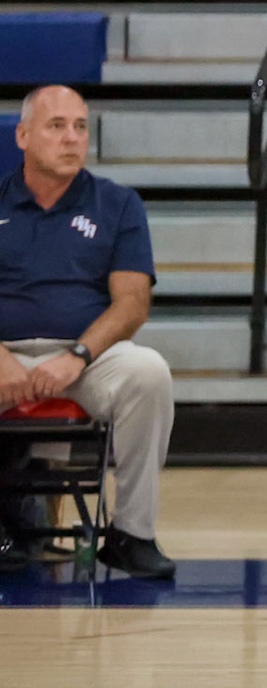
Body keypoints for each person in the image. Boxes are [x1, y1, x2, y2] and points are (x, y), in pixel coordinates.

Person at [0, 85, 174, 579]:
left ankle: (132, 534)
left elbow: (133, 303)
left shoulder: (117, 204)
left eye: (80, 127)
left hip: (85, 358)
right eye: (57, 126)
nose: (72, 138)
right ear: (23, 135)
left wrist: (77, 355)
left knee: (149, 372)